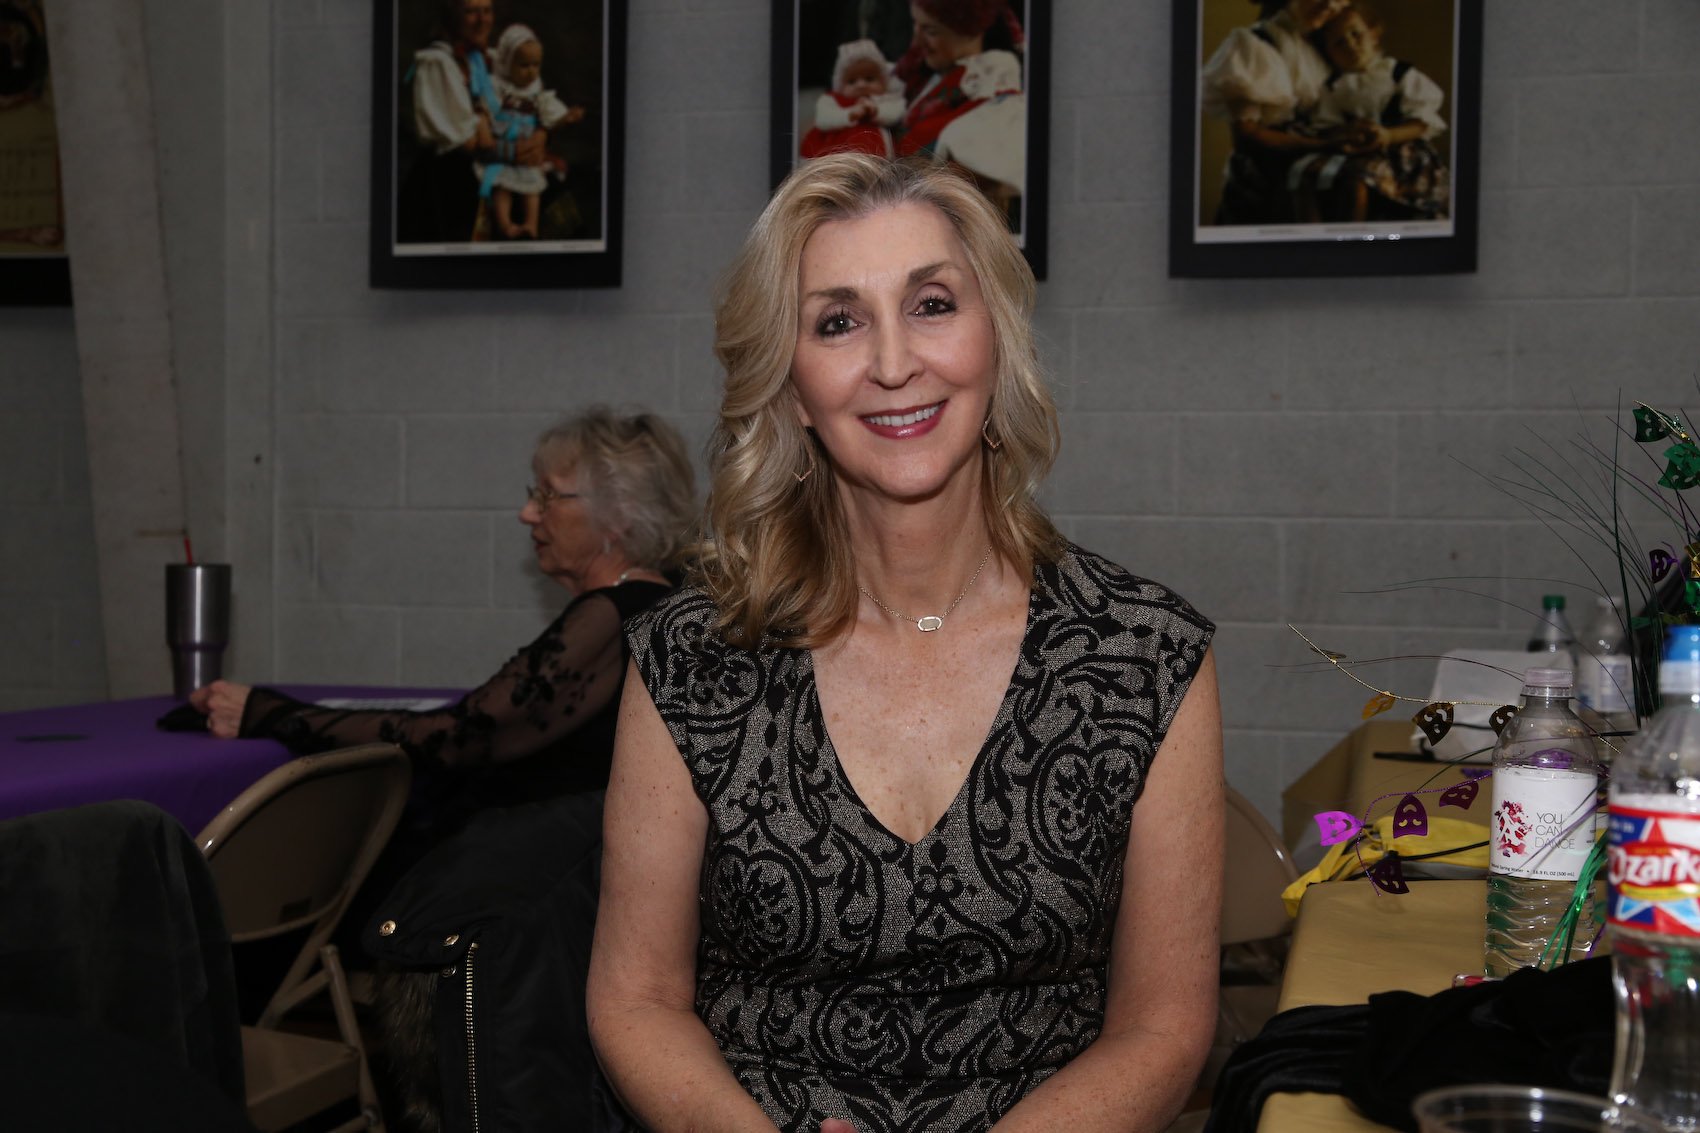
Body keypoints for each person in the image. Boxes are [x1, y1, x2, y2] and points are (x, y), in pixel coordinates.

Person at [588, 154, 1223, 1133]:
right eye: (837, 322)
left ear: (995, 341)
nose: (893, 363)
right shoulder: (690, 656)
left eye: (931, 305)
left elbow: (1163, 1025)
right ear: (791, 389)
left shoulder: (1145, 655)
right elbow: (635, 998)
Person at [190, 406, 697, 883]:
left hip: (520, 884)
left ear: (620, 516)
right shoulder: (662, 598)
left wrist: (269, 714)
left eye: (548, 496)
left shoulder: (608, 615)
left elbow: (456, 739)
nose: (527, 513)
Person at [396, 0, 551, 243]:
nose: (482, 20)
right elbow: (468, 143)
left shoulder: (491, 59)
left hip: (501, 163)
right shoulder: (438, 63)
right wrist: (514, 151)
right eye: (471, 12)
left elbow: (532, 102)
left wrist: (540, 136)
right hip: (453, 178)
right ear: (451, 15)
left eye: (487, 11)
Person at [1198, 0, 1351, 224]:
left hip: (1313, 183)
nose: (1330, 5)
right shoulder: (1253, 45)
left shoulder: (1325, 45)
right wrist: (1321, 144)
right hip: (1264, 185)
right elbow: (1246, 136)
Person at [1293, 4, 1449, 222]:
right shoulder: (1333, 87)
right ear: (1328, 52)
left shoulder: (1398, 73)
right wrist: (1346, 133)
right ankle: (1315, 237)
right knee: (1305, 175)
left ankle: (1354, 234)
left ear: (1374, 34)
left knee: (1357, 179)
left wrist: (1389, 135)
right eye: (1339, 43)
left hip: (1400, 153)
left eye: (1356, 34)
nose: (1350, 45)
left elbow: (1421, 122)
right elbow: (1324, 125)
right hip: (1353, 151)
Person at [893, 0, 1027, 205]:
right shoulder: (921, 79)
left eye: (931, 31)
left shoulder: (992, 90)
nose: (917, 40)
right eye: (915, 24)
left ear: (967, 31)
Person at [480, 23, 584, 240]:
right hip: (504, 148)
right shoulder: (498, 86)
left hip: (529, 153)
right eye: (524, 65)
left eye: (536, 65)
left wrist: (566, 117)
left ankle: (531, 225)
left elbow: (548, 111)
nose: (531, 71)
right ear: (507, 63)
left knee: (533, 189)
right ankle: (506, 225)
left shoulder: (536, 90)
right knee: (502, 187)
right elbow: (486, 111)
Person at [800, 39, 907, 160]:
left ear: (884, 82)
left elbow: (896, 112)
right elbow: (823, 119)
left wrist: (875, 111)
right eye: (852, 81)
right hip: (837, 155)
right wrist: (849, 114)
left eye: (869, 79)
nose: (861, 85)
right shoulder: (833, 99)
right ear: (840, 85)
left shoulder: (886, 99)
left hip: (878, 155)